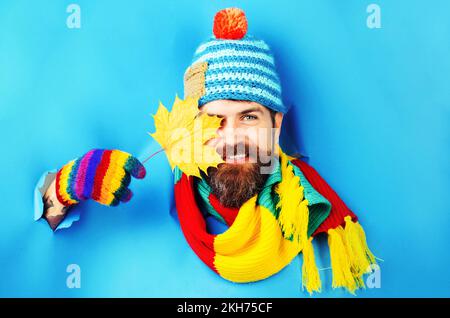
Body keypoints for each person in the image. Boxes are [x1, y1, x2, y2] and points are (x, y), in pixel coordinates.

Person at [34, 8, 376, 294]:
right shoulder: (156, 181)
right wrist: (62, 190)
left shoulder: (305, 207)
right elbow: (54, 220)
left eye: (249, 116)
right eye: (215, 119)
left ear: (276, 123)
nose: (232, 138)